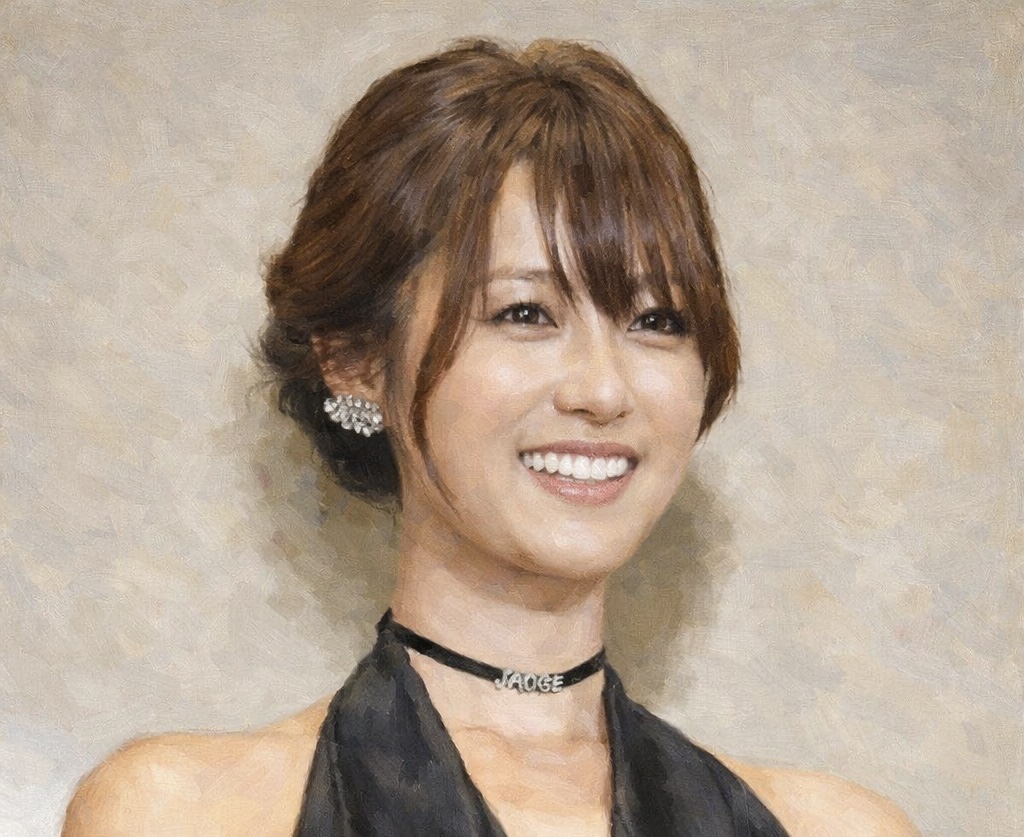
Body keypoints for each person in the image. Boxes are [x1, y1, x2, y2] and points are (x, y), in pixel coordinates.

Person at [63, 39, 921, 837]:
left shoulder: (840, 828)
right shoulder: (181, 811)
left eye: (657, 320)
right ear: (356, 360)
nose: (603, 390)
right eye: (524, 313)